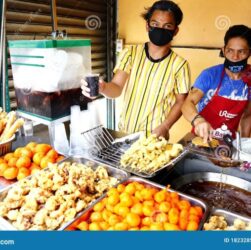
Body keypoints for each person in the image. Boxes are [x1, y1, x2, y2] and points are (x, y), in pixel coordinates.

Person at [81, 0, 190, 139]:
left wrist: (165, 126)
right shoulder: (131, 53)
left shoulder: (180, 65)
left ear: (175, 31)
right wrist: (102, 88)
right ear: (147, 26)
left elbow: (181, 101)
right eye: (155, 24)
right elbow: (116, 87)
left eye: (167, 26)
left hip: (155, 137)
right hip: (125, 133)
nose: (160, 29)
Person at [182, 24, 251, 143]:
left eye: (241, 52)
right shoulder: (210, 75)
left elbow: (248, 116)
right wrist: (198, 121)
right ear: (223, 50)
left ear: (249, 53)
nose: (235, 57)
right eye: (230, 51)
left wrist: (243, 145)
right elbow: (187, 103)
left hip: (229, 143)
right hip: (201, 139)